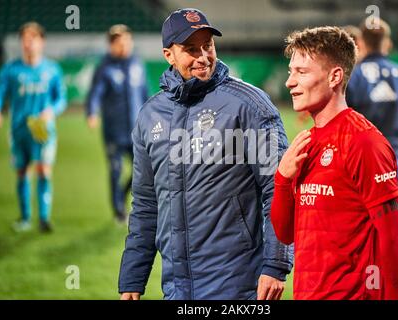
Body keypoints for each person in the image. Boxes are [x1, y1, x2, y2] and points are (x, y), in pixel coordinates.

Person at [118, 8, 293, 300]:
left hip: (237, 284)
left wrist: (275, 264)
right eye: (190, 49)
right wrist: (132, 280)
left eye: (207, 45)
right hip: (176, 288)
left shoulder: (249, 105)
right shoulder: (150, 115)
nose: (203, 56)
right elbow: (146, 205)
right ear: (168, 55)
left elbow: (278, 188)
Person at [270, 26, 398, 299]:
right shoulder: (306, 143)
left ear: (335, 76)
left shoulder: (364, 142)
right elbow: (286, 234)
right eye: (290, 71)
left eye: (302, 72)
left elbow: (393, 238)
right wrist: (283, 180)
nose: (290, 82)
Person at [346, 19, 398, 232]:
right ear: (388, 44)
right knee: (396, 227)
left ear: (362, 43)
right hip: (395, 160)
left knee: (359, 226)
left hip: (359, 163)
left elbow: (341, 120)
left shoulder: (352, 77)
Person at [0, 22, 67, 232]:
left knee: (44, 171)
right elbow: (1, 95)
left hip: (43, 130)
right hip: (19, 130)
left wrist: (51, 111)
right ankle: (25, 218)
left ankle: (44, 218)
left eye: (33, 38)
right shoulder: (10, 70)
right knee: (21, 171)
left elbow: (61, 100)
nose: (29, 43)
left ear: (42, 42)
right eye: (25, 39)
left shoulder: (52, 69)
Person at [86, 24, 149, 223]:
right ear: (111, 45)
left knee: (144, 169)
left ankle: (122, 195)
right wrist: (92, 112)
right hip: (113, 131)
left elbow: (144, 94)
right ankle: (118, 210)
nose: (123, 46)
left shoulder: (138, 64)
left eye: (126, 42)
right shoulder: (104, 68)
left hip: (136, 130)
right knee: (115, 170)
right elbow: (95, 93)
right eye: (118, 43)